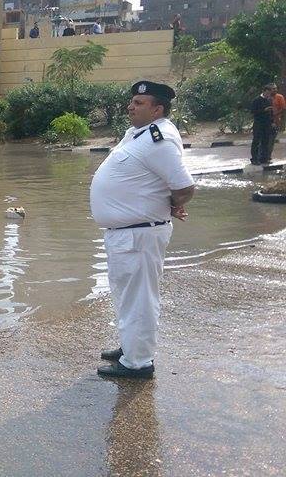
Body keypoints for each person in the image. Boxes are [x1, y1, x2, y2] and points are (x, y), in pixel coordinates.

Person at [89, 80, 195, 379]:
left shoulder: (159, 139)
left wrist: (175, 203)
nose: (130, 106)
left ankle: (139, 363)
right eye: (132, 102)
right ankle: (130, 347)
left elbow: (184, 187)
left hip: (138, 234)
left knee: (140, 299)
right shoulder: (140, 134)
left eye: (139, 103)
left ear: (157, 109)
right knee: (126, 295)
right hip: (128, 233)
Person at [250, 83, 276, 165]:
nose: (268, 94)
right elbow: (253, 112)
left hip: (267, 124)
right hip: (258, 123)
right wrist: (264, 110)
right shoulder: (257, 100)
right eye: (267, 92)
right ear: (264, 91)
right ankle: (254, 158)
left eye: (270, 93)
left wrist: (272, 122)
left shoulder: (269, 100)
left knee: (266, 141)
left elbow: (271, 113)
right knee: (256, 141)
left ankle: (264, 158)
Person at [271, 84, 285, 160]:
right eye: (273, 89)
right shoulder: (267, 97)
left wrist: (275, 114)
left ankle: (268, 156)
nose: (275, 90)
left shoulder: (279, 97)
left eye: (276, 88)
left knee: (272, 138)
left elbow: (283, 108)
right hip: (266, 121)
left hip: (276, 120)